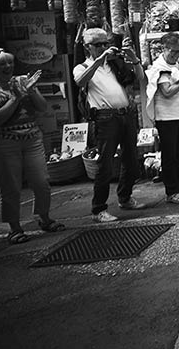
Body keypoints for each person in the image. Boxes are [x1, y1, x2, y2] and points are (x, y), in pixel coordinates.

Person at [0, 47, 64, 243]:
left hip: (32, 138)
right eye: (2, 64)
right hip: (3, 142)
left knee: (41, 181)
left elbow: (42, 107)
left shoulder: (22, 81)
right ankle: (14, 227)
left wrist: (32, 90)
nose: (7, 66)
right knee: (10, 187)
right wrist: (15, 98)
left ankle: (43, 217)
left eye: (10, 62)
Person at [73, 28, 146, 223]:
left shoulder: (115, 64)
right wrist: (99, 60)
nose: (104, 47)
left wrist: (134, 59)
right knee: (105, 165)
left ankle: (125, 197)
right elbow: (80, 81)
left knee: (131, 159)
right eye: (98, 44)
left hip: (126, 114)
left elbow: (139, 77)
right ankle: (99, 209)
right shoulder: (83, 66)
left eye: (106, 43)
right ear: (87, 47)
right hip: (105, 119)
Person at [145, 32, 179, 204]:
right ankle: (171, 191)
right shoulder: (159, 68)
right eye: (174, 51)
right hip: (166, 117)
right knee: (170, 155)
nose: (177, 55)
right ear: (164, 48)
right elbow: (167, 92)